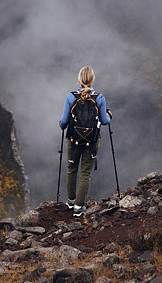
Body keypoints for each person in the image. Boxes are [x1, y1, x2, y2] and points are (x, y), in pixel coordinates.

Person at [59, 66, 112, 216]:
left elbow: (64, 122)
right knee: (85, 173)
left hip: (73, 140)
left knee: (72, 169)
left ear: (79, 79)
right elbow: (104, 121)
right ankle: (78, 207)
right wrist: (109, 115)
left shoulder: (70, 97)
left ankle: (70, 201)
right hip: (92, 141)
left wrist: (61, 125)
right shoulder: (99, 98)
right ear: (92, 79)